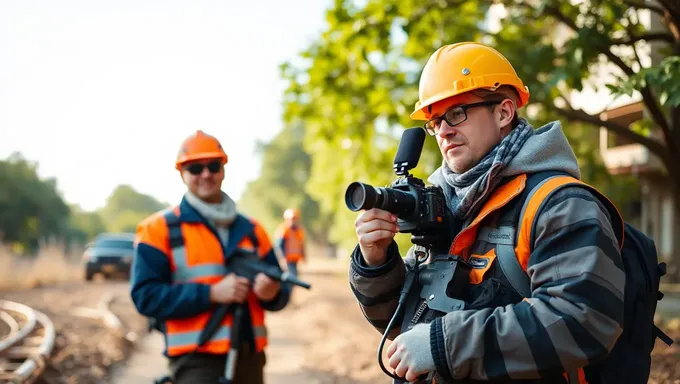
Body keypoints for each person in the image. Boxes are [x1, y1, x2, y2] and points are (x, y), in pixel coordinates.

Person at [348, 42, 625, 383]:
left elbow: (583, 320)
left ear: (504, 112)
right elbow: (402, 324)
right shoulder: (445, 206)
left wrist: (443, 345)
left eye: (457, 113)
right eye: (435, 122)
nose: (444, 130)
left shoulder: (559, 204)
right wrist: (376, 262)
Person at [130, 130, 291, 384]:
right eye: (195, 168)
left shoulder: (253, 230)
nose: (206, 174)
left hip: (250, 359)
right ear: (182, 174)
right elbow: (145, 297)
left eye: (213, 166)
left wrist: (272, 293)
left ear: (223, 169)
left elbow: (282, 290)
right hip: (195, 361)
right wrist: (211, 294)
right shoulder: (157, 230)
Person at [275, 208, 306, 277]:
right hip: (287, 260)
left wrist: (304, 256)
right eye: (292, 218)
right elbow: (279, 246)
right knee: (291, 277)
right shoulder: (283, 229)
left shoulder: (299, 230)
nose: (293, 220)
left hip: (295, 259)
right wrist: (282, 259)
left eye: (295, 218)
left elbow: (301, 244)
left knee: (294, 277)